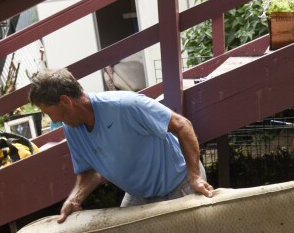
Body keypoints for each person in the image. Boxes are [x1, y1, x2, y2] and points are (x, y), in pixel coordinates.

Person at [27, 68, 214, 223]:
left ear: (65, 101)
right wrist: (74, 198)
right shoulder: (71, 128)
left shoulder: (125, 105)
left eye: (48, 112)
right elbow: (90, 171)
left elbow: (182, 125)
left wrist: (195, 177)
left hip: (179, 183)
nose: (53, 120)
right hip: (139, 193)